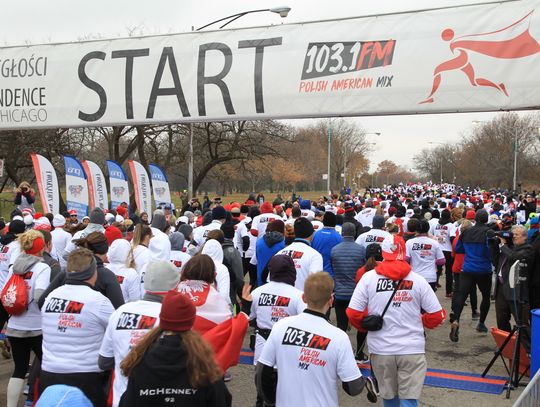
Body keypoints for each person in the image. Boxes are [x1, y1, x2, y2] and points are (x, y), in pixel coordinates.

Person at [347, 238, 446, 407]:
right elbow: (437, 315)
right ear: (404, 253)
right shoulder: (418, 280)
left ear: (383, 253)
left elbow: (352, 313)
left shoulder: (368, 278)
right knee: (409, 400)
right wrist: (421, 321)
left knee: (389, 398)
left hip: (381, 348)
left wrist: (367, 325)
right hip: (411, 349)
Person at [256, 272, 374, 407]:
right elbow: (353, 388)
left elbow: (262, 371)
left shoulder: (280, 327)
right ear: (331, 300)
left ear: (304, 298)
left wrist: (271, 401)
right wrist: (363, 381)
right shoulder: (338, 337)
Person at [118, 289, 231, 406]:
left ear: (162, 319)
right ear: (191, 322)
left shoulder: (140, 361)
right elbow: (221, 399)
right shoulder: (203, 365)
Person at [98, 260, 181, 407]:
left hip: (122, 399)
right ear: (174, 287)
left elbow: (104, 361)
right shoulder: (170, 318)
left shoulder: (120, 312)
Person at [40, 248, 114, 407]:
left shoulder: (51, 296)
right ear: (93, 272)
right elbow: (116, 330)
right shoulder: (98, 301)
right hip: (85, 375)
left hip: (50, 372)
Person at [5, 230, 51, 407]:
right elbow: (40, 296)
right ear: (41, 247)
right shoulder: (42, 267)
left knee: (19, 369)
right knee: (47, 367)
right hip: (37, 327)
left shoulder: (15, 266)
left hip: (15, 324)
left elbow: (7, 292)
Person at [39, 231, 125, 310]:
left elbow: (42, 302)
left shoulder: (68, 271)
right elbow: (118, 309)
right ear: (106, 250)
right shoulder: (107, 275)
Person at [451, 209, 493, 341]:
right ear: (486, 220)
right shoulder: (488, 233)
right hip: (484, 269)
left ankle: (456, 319)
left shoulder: (466, 232)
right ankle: (481, 323)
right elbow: (490, 252)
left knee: (461, 295)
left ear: (475, 219)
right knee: (485, 297)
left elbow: (458, 249)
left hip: (467, 268)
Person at [493, 225, 534, 348]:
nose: (513, 237)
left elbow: (513, 257)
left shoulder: (528, 249)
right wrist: (496, 243)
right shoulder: (510, 248)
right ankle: (506, 346)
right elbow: (495, 258)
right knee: (501, 318)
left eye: (516, 235)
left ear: (525, 237)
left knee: (522, 323)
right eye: (512, 234)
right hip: (502, 288)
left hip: (517, 292)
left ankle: (529, 350)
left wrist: (503, 245)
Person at [330, 222, 365, 358]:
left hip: (340, 293)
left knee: (341, 325)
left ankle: (341, 353)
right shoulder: (361, 249)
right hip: (357, 295)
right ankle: (359, 353)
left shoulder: (334, 250)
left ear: (342, 233)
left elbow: (333, 270)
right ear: (354, 233)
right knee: (361, 326)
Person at [276, 217, 323, 291]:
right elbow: (316, 284)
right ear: (312, 234)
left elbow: (271, 281)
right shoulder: (315, 256)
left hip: (283, 300)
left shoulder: (280, 253)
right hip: (304, 300)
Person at [405, 219, 446, 291]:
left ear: (416, 230)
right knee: (428, 301)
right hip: (430, 277)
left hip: (415, 276)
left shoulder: (409, 242)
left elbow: (406, 259)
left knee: (415, 301)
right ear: (428, 229)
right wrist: (432, 260)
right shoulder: (434, 242)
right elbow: (442, 261)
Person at [252, 219, 285, 287]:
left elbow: (257, 259)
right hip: (278, 280)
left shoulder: (259, 241)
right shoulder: (284, 243)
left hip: (261, 278)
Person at [432, 209, 456, 296]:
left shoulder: (436, 225)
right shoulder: (451, 225)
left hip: (437, 249)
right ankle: (448, 291)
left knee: (436, 270)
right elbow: (453, 238)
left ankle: (433, 287)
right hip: (448, 250)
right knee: (449, 272)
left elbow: (431, 236)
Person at [312, 212, 343, 276]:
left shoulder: (315, 235)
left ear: (323, 221)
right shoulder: (339, 237)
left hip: (316, 272)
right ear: (335, 222)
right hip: (330, 274)